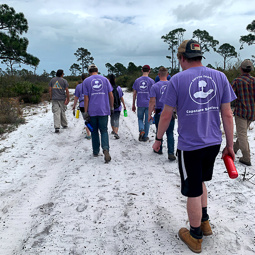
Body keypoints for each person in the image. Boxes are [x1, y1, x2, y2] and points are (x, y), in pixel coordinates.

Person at [152, 39, 236, 253]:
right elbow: (227, 113)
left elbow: (167, 115)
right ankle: (205, 222)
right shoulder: (220, 77)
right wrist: (229, 145)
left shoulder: (177, 80)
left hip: (190, 146)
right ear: (200, 56)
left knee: (192, 190)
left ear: (181, 58)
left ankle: (195, 235)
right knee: (201, 182)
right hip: (213, 143)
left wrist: (159, 139)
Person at [83, 64, 114, 163]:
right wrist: (111, 107)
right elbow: (111, 95)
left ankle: (96, 151)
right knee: (104, 130)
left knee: (94, 131)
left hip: (92, 111)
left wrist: (86, 111)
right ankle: (105, 149)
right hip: (104, 110)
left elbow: (86, 98)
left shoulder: (86, 81)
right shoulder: (105, 80)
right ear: (97, 70)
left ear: (89, 72)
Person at [148, 66, 176, 160]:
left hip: (159, 112)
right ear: (167, 75)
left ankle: (158, 148)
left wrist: (149, 114)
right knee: (170, 133)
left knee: (159, 132)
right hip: (170, 112)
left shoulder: (154, 86)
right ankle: (171, 152)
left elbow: (152, 102)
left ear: (158, 75)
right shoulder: (172, 85)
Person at [232, 59, 255, 166]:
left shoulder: (237, 81)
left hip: (241, 112)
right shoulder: (254, 80)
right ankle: (234, 148)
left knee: (242, 134)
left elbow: (230, 95)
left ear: (241, 69)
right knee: (243, 133)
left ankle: (246, 157)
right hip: (252, 113)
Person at [132, 65, 155, 141]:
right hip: (149, 104)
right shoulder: (152, 81)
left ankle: (141, 129)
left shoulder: (137, 80)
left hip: (140, 103)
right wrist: (154, 105)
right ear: (149, 71)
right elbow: (154, 95)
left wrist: (133, 104)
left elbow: (134, 93)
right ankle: (145, 137)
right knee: (147, 120)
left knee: (140, 119)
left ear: (142, 70)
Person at [72, 73, 91, 139]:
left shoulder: (78, 86)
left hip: (82, 105)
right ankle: (93, 131)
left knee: (86, 119)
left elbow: (76, 98)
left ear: (81, 79)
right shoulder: (90, 85)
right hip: (90, 104)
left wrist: (74, 106)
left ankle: (88, 134)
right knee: (91, 118)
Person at [108, 74, 126, 139]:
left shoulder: (107, 88)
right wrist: (124, 105)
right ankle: (116, 132)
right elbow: (121, 97)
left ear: (109, 80)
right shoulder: (118, 88)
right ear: (115, 79)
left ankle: (113, 130)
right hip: (118, 107)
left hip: (110, 107)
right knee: (117, 119)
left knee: (112, 119)